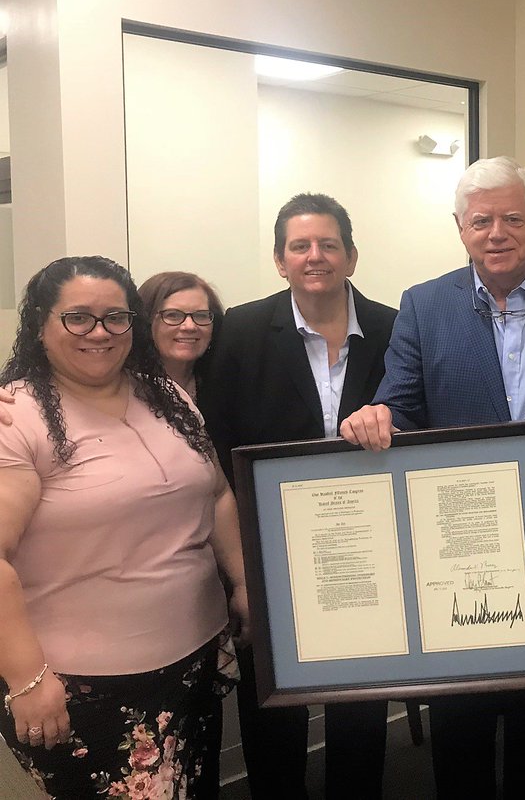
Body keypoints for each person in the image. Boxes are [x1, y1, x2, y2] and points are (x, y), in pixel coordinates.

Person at [340, 156, 525, 798]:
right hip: (459, 545)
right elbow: (401, 402)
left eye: (512, 218)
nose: (497, 233)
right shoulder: (424, 304)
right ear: (459, 226)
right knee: (461, 720)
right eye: (481, 220)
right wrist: (377, 416)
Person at [0, 256, 246, 799]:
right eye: (78, 317)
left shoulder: (168, 396)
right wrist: (27, 679)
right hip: (82, 686)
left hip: (193, 661)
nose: (100, 332)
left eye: (116, 317)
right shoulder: (15, 418)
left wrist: (244, 582)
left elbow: (217, 494)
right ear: (39, 323)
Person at [199, 194, 397, 800]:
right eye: (300, 246)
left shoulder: (394, 328)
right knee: (274, 705)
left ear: (352, 256)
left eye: (329, 244)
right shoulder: (239, 331)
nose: (316, 256)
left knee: (361, 699)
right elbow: (216, 438)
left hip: (369, 548)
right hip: (270, 549)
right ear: (280, 260)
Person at [137, 271, 224, 400]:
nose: (190, 326)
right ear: (146, 320)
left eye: (201, 315)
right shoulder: (126, 390)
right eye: (173, 315)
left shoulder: (225, 385)